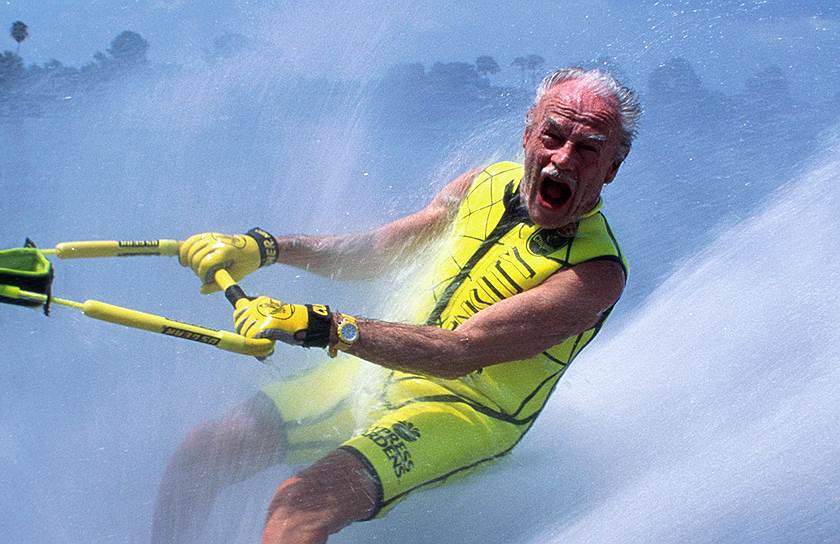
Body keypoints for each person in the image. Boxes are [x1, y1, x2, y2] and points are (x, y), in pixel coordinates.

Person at [151, 67, 641, 544]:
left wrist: (326, 327)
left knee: (299, 506)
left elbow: (460, 351)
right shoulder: (485, 182)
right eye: (552, 136)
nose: (562, 159)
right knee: (205, 450)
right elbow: (380, 250)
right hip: (377, 374)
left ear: (612, 169)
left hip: (461, 412)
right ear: (528, 134)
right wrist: (267, 248)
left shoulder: (595, 274)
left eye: (587, 149)